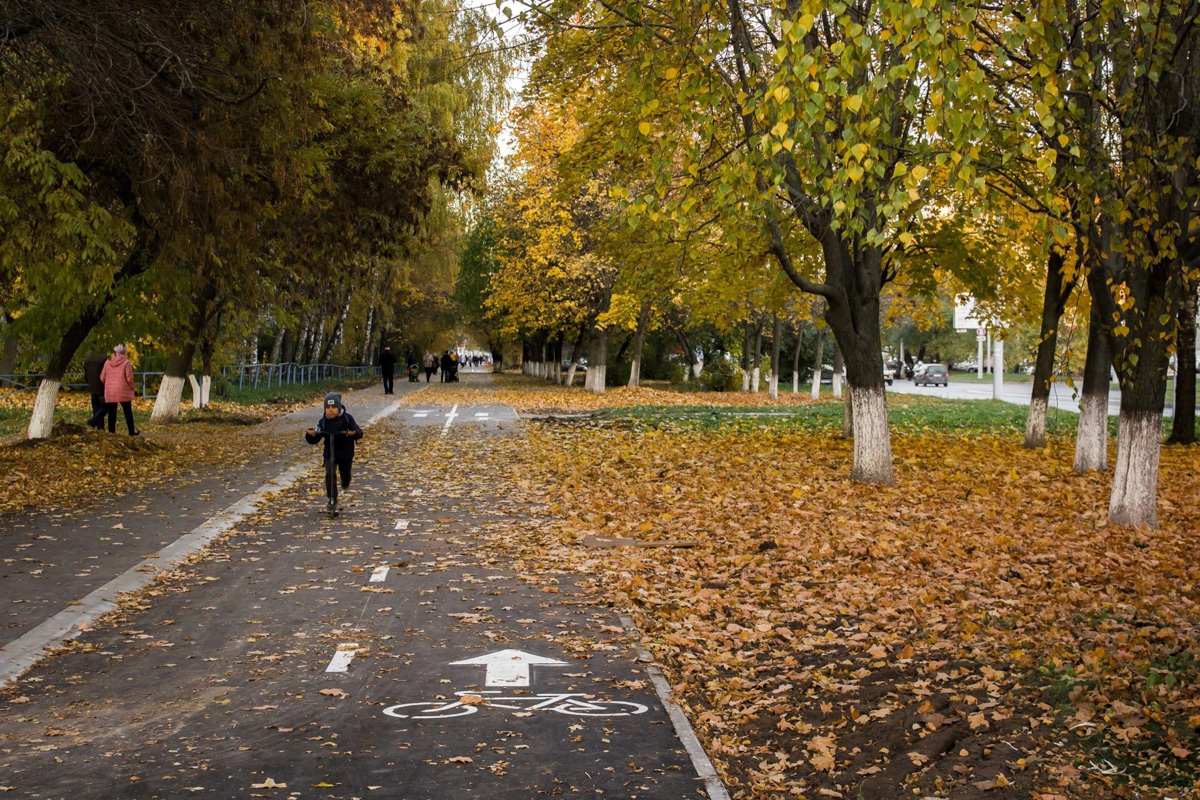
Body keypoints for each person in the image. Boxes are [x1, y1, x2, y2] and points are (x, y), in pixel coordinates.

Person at [305, 393, 364, 499]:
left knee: (345, 474)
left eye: (333, 407)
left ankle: (345, 481)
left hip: (345, 453)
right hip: (330, 453)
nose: (330, 410)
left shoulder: (347, 418)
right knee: (329, 475)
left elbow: (359, 432)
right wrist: (311, 435)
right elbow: (316, 437)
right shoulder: (323, 422)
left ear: (339, 407)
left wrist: (353, 433)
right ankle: (332, 498)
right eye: (327, 408)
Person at [100, 344, 139, 436]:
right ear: (124, 351)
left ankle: (111, 432)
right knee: (128, 412)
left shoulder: (107, 362)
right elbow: (129, 378)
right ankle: (131, 431)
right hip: (123, 390)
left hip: (110, 391)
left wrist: (109, 383)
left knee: (112, 413)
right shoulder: (126, 362)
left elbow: (102, 377)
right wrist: (132, 387)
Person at [83, 351, 108, 429]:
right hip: (102, 387)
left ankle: (99, 427)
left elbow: (86, 373)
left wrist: (88, 381)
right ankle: (93, 422)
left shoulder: (87, 358)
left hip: (92, 386)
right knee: (104, 408)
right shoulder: (104, 358)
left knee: (96, 408)